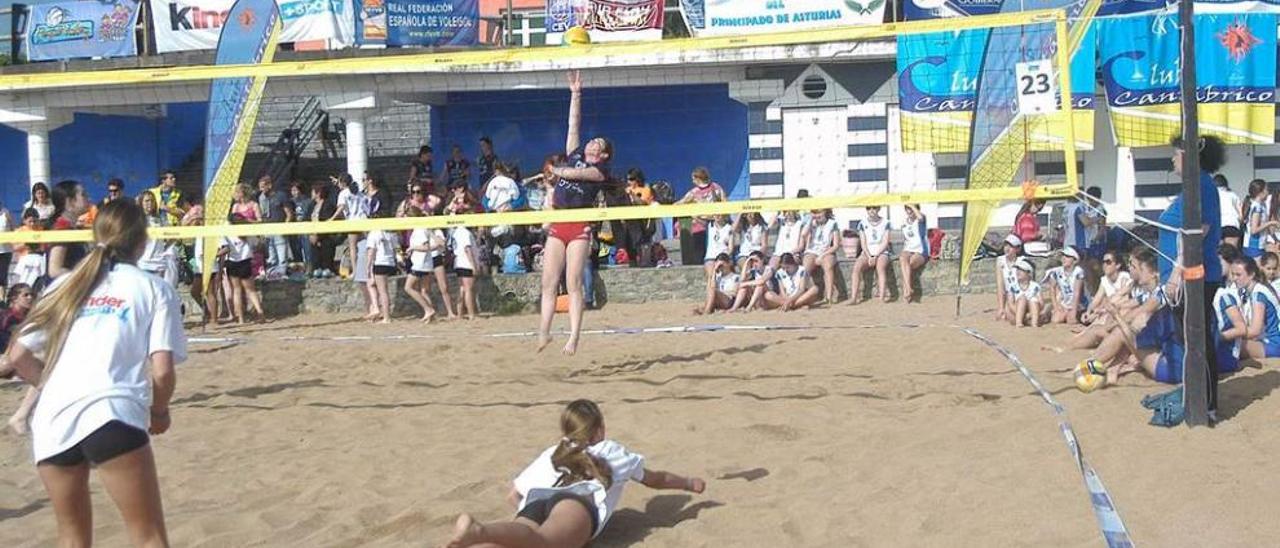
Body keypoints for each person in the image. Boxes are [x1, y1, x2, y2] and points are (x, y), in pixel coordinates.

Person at [0, 199, 186, 548]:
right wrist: (159, 412)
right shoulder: (153, 288)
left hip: (54, 419)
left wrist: (51, 385)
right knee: (148, 537)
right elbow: (162, 372)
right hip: (110, 411)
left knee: (71, 540)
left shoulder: (64, 284)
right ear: (142, 243)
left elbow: (18, 355)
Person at [445, 399, 705, 548]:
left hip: (535, 501)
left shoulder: (555, 451)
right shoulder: (611, 450)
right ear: (600, 429)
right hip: (576, 504)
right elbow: (656, 479)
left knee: (515, 542)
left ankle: (483, 536)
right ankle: (482, 532)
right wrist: (689, 483)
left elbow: (514, 494)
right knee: (543, 543)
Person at [538, 70, 614, 355]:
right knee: (548, 282)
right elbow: (573, 124)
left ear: (604, 154)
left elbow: (576, 175)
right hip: (559, 221)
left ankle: (573, 338)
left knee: (573, 284)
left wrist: (557, 170)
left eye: (599, 144)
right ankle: (544, 332)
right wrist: (576, 93)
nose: (593, 143)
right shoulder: (575, 153)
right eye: (593, 140)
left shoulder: (600, 171)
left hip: (579, 224)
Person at [1161, 134, 1225, 418]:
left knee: (1198, 339)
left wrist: (1176, 272)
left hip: (1195, 276)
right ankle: (1198, 398)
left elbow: (1200, 231)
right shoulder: (1192, 186)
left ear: (1188, 156)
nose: (1172, 159)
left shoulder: (1202, 184)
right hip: (1184, 276)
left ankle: (1207, 405)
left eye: (1175, 153)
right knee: (1190, 340)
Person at [676, 167, 727, 266]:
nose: (692, 181)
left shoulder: (715, 188)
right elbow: (681, 202)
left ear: (698, 178)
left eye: (693, 178)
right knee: (700, 247)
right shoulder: (695, 192)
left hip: (715, 222)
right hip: (701, 223)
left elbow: (724, 202)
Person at [4, 283, 36, 435]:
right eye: (26, 295)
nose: (30, 298)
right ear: (14, 298)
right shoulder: (7, 316)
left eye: (31, 295)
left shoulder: (30, 317)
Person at [223, 214, 264, 325]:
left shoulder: (226, 231)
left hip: (232, 262)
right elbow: (258, 244)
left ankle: (241, 319)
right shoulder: (246, 230)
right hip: (245, 261)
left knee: (237, 291)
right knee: (251, 290)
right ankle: (260, 313)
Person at [1236, 255, 1280, 360]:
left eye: (1238, 275)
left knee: (1229, 347)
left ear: (1251, 275)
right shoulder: (1257, 289)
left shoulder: (1258, 293)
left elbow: (1255, 330)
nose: (1235, 278)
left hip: (1273, 343)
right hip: (1269, 340)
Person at [47, 181, 92, 280]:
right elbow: (54, 270)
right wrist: (85, 277)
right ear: (70, 202)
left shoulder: (72, 228)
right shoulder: (62, 229)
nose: (89, 198)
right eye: (83, 195)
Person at [403, 206, 439, 323]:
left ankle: (428, 309)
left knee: (408, 287)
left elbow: (426, 247)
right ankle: (431, 316)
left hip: (421, 263)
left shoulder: (420, 229)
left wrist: (412, 248)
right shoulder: (418, 229)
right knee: (424, 290)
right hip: (423, 262)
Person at [136, 193, 179, 289]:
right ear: (141, 203)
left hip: (159, 264)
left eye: (152, 201)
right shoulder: (137, 220)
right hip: (143, 264)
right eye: (147, 201)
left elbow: (172, 236)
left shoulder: (160, 220)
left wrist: (165, 249)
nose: (150, 203)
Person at [850, 205, 891, 305]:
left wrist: (876, 256)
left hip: (881, 251)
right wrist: (869, 256)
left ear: (878, 209)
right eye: (869, 208)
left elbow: (885, 242)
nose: (871, 210)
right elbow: (863, 243)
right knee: (856, 268)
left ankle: (882, 297)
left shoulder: (886, 223)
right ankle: (854, 297)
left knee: (880, 267)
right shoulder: (862, 223)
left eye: (874, 208)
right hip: (867, 252)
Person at [1081, 250, 1132, 326]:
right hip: (1108, 310)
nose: (1104, 265)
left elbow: (1123, 300)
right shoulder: (1104, 280)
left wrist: (1101, 310)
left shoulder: (1125, 277)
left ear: (1118, 265)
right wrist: (1088, 312)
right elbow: (1096, 300)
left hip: (1122, 310)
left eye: (1108, 262)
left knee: (1103, 313)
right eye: (1103, 262)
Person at [800, 209, 839, 304]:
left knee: (828, 266)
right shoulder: (812, 223)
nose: (817, 215)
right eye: (815, 213)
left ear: (825, 212)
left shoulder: (832, 223)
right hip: (812, 250)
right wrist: (810, 220)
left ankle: (829, 296)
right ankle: (802, 293)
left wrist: (823, 255)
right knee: (805, 267)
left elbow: (836, 245)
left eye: (819, 213)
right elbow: (803, 234)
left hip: (826, 250)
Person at [364, 223, 398, 324]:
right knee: (372, 284)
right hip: (390, 262)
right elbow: (396, 249)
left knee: (383, 291)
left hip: (380, 263)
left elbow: (371, 251)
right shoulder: (391, 233)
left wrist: (368, 266)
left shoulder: (374, 233)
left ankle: (386, 316)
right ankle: (376, 308)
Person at [1043, 247, 1086, 324]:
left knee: (1071, 321)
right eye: (1063, 255)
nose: (1063, 258)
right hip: (1063, 304)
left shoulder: (1078, 272)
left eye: (1067, 256)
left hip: (1078, 305)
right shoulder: (1056, 271)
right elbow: (1052, 289)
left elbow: (1077, 293)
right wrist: (1056, 307)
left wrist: (1073, 311)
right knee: (1056, 320)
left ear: (1075, 260)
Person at [257, 176, 291, 275]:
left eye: (263, 187)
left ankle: (282, 272)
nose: (261, 189)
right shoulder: (261, 198)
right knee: (271, 252)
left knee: (281, 251)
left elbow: (288, 213)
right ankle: (272, 272)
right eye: (260, 187)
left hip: (279, 227)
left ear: (269, 185)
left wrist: (285, 226)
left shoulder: (280, 196)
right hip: (267, 228)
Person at [898, 203, 930, 304]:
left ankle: (906, 292)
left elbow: (920, 217)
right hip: (908, 249)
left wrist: (912, 206)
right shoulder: (904, 222)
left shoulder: (921, 219)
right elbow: (906, 239)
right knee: (903, 259)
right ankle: (908, 289)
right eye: (907, 209)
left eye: (911, 209)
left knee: (909, 266)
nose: (910, 211)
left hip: (920, 250)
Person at [452, 223, 480, 321]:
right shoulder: (465, 232)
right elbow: (467, 249)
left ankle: (460, 314)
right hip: (465, 263)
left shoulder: (456, 232)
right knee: (468, 289)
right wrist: (473, 265)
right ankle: (471, 314)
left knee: (462, 288)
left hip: (459, 262)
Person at [310, 183, 339, 278]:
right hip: (313, 235)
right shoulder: (312, 205)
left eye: (313, 192)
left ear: (318, 193)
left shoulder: (328, 205)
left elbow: (326, 221)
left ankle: (328, 269)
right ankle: (316, 268)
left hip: (326, 237)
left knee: (326, 253)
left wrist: (319, 235)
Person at [13, 208, 46, 286]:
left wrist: (38, 246)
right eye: (30, 221)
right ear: (24, 221)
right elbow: (15, 247)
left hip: (39, 258)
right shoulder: (19, 231)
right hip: (25, 258)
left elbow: (44, 246)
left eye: (35, 221)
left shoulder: (42, 230)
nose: (32, 224)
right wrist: (27, 244)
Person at [1008, 258, 1044, 328]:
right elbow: (1010, 303)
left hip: (1031, 311)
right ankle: (1019, 322)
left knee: (1033, 300)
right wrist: (1020, 313)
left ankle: (1034, 323)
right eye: (1017, 269)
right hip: (1016, 309)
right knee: (1022, 299)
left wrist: (1032, 313)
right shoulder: (1013, 286)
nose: (1018, 272)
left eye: (1021, 270)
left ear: (1029, 273)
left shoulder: (1035, 286)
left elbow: (1041, 303)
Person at [1241, 178, 1270, 259]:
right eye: (1267, 190)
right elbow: (1254, 230)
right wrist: (1271, 223)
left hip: (1259, 245)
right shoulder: (1257, 207)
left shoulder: (1261, 205)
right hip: (1254, 245)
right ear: (1260, 192)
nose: (1268, 193)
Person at [289, 182, 315, 271]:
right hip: (294, 229)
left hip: (305, 228)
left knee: (307, 250)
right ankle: (299, 269)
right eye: (292, 190)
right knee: (296, 250)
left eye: (295, 190)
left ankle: (309, 268)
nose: (293, 193)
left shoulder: (308, 202)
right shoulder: (291, 202)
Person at [1217, 174, 1243, 248]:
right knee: (1231, 252)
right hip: (1232, 224)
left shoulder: (1213, 194)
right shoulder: (1233, 195)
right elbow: (1241, 216)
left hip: (1218, 226)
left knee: (1219, 252)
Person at [0, 198, 13, 291]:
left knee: (3, 275)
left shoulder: (5, 213)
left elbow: (13, 228)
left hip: (5, 250)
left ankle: (2, 299)